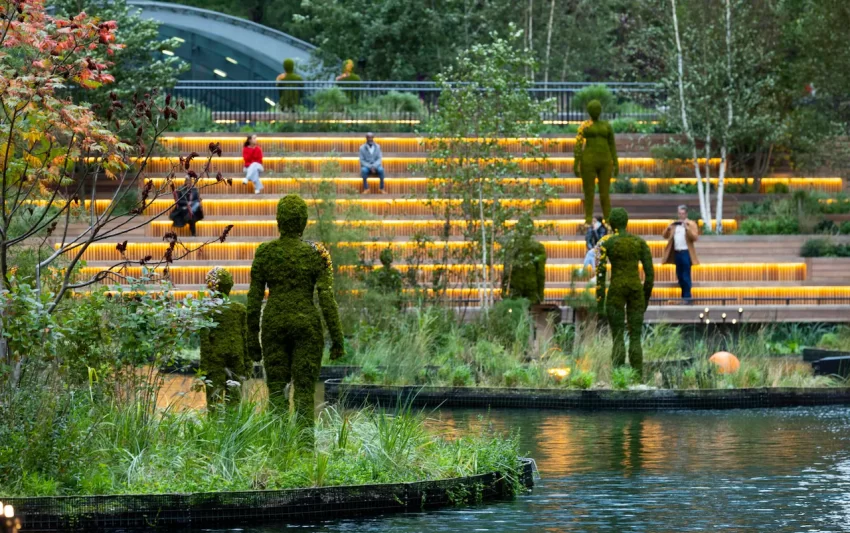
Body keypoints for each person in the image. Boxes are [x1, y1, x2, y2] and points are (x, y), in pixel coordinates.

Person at [247, 194, 344, 447]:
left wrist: (252, 340)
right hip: (307, 327)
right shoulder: (317, 254)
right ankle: (303, 449)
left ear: (279, 221)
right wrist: (337, 338)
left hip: (274, 324)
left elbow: (254, 299)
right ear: (304, 221)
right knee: (303, 392)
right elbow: (326, 297)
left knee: (276, 391)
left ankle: (278, 447)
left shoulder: (265, 253)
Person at [596, 208, 654, 377]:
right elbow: (650, 275)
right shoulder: (639, 243)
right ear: (626, 222)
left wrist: (600, 303)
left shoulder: (605, 243)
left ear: (612, 223)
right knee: (636, 337)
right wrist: (645, 298)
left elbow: (600, 275)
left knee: (618, 337)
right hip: (636, 290)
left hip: (616, 290)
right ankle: (637, 377)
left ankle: (618, 378)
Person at [574, 100, 618, 227]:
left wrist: (615, 161)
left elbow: (612, 144)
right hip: (588, 161)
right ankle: (588, 218)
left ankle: (608, 219)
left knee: (605, 192)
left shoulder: (606, 126)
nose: (595, 111)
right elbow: (578, 144)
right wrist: (576, 162)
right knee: (589, 192)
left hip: (605, 162)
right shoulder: (584, 126)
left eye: (597, 109)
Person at [662, 205, 700, 302]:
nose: (681, 215)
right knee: (679, 275)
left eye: (683, 213)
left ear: (686, 214)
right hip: (677, 253)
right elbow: (664, 236)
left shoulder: (691, 224)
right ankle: (684, 296)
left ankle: (687, 297)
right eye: (680, 213)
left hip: (686, 253)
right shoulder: (674, 224)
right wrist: (668, 228)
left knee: (686, 275)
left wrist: (687, 228)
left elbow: (695, 237)